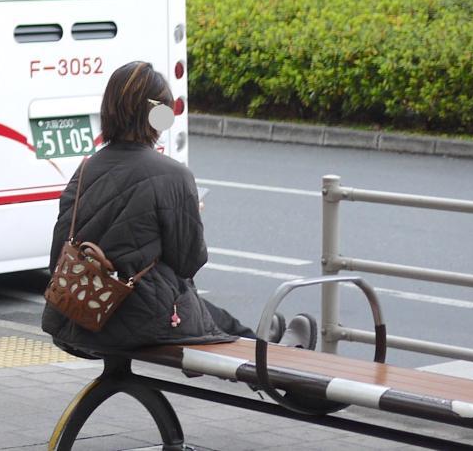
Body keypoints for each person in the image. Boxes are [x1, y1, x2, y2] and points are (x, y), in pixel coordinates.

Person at [42, 61, 312, 356]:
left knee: (215, 319)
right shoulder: (172, 175)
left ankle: (265, 344)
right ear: (155, 116)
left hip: (73, 317)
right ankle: (278, 356)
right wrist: (189, 214)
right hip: (134, 324)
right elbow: (189, 262)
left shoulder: (84, 170)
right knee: (210, 323)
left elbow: (58, 254)